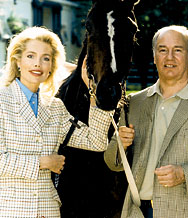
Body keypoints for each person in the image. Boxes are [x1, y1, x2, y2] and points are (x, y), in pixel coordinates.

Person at [0, 26, 113, 218]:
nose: (38, 64)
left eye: (46, 58)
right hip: (9, 210)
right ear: (17, 60)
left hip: (48, 210)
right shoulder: (2, 101)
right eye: (30, 56)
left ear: (52, 66)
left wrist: (93, 92)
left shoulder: (55, 107)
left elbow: (96, 141)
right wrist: (43, 163)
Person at [104, 25, 188, 218]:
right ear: (155, 56)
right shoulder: (134, 103)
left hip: (186, 212)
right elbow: (113, 163)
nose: (169, 57)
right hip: (138, 212)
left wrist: (185, 173)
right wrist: (119, 143)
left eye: (178, 50)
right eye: (162, 50)